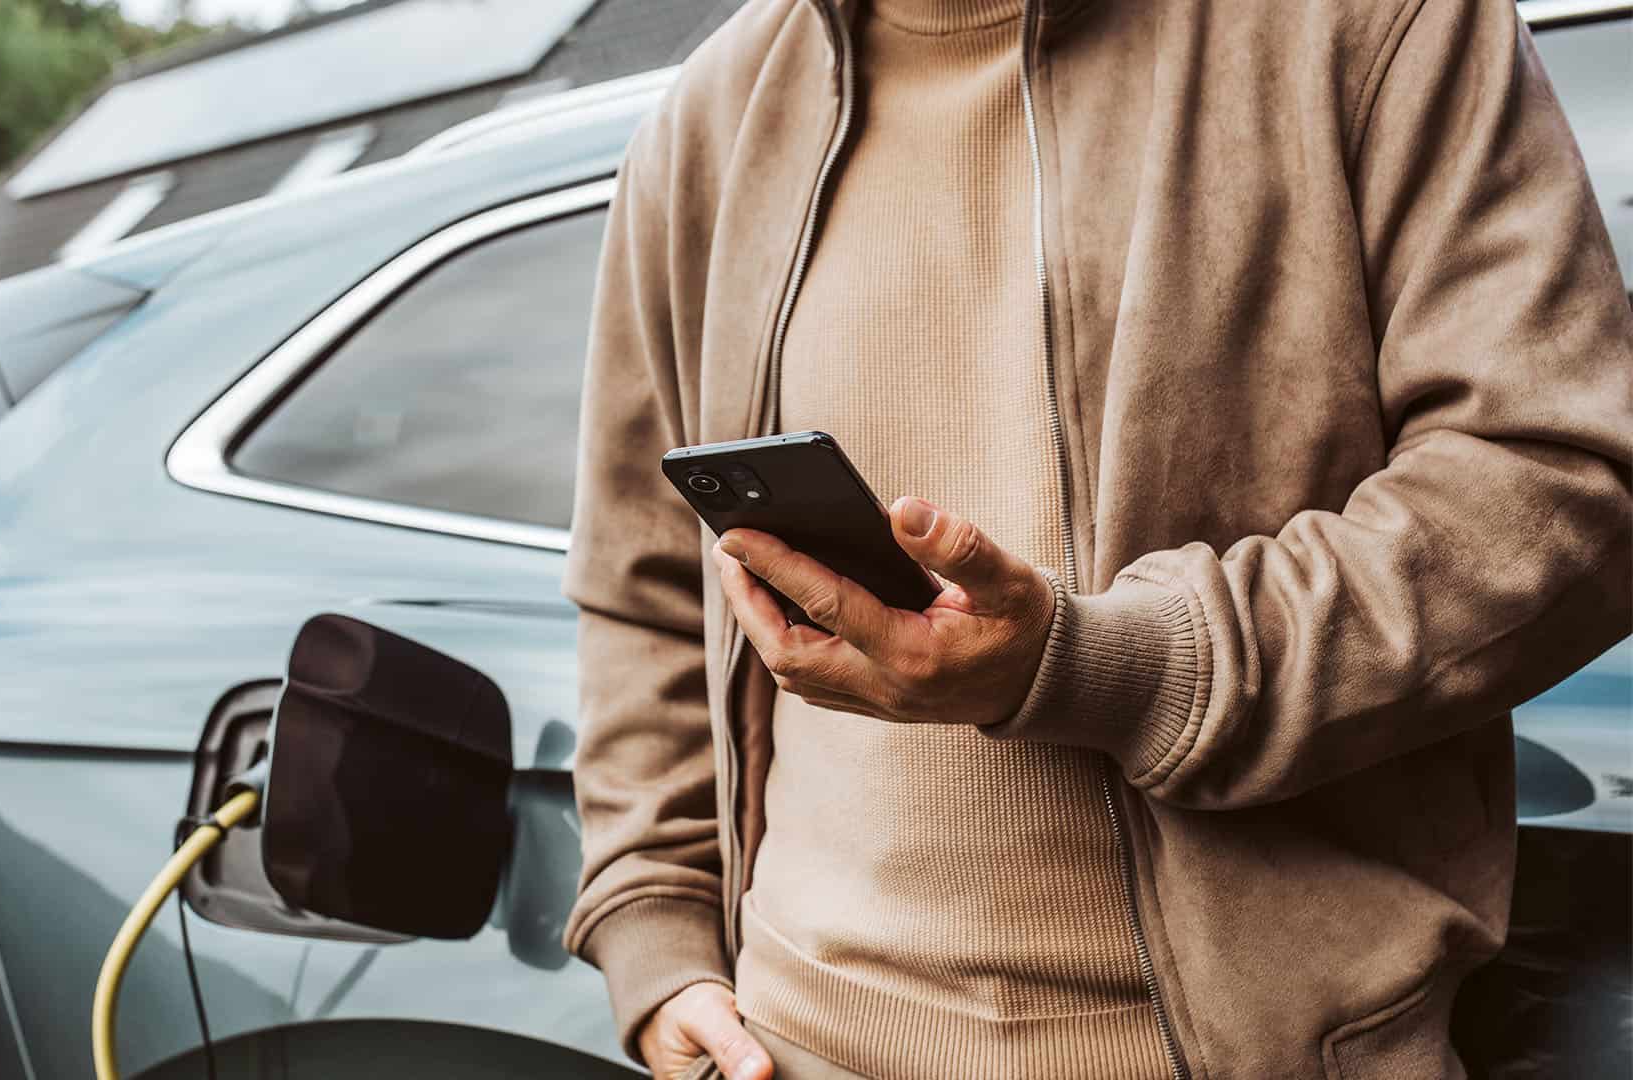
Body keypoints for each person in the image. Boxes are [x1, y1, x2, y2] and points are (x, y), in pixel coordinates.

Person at [561, 0, 1633, 1076]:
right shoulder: (714, 113)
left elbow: (1559, 477)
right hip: (791, 1045)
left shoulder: (1378, 24)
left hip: (1252, 1054)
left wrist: (1109, 668)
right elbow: (645, 583)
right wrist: (655, 926)